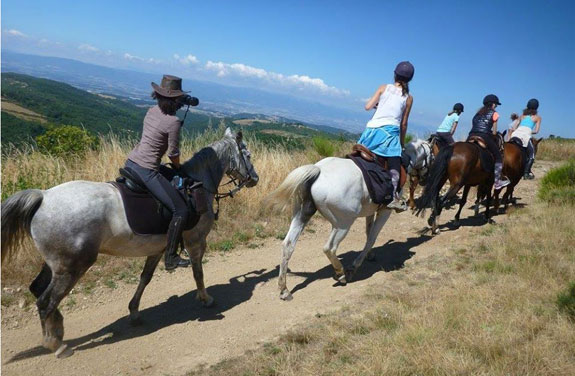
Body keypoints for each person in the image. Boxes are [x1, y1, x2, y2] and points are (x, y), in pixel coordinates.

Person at [125, 75, 193, 270]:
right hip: (147, 170)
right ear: (176, 100)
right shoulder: (173, 122)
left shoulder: (151, 110)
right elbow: (173, 154)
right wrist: (179, 168)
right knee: (181, 210)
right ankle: (170, 257)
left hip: (131, 162)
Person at [359, 61, 414, 212]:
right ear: (410, 79)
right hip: (389, 134)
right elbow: (403, 124)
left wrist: (379, 106)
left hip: (370, 131)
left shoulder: (383, 87)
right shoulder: (408, 98)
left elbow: (367, 107)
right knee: (395, 167)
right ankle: (393, 197)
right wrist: (401, 144)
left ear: (395, 74)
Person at [467, 94, 511, 190]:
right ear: (493, 104)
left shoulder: (477, 113)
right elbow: (494, 132)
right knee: (498, 157)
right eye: (496, 104)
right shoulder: (494, 113)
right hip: (484, 136)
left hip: (471, 135)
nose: (496, 106)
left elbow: (474, 126)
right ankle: (497, 181)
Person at [509, 98, 541, 179]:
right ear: (536, 108)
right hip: (526, 136)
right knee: (531, 155)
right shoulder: (537, 117)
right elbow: (536, 131)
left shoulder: (522, 116)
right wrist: (529, 131)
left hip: (515, 134)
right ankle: (526, 173)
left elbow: (514, 127)